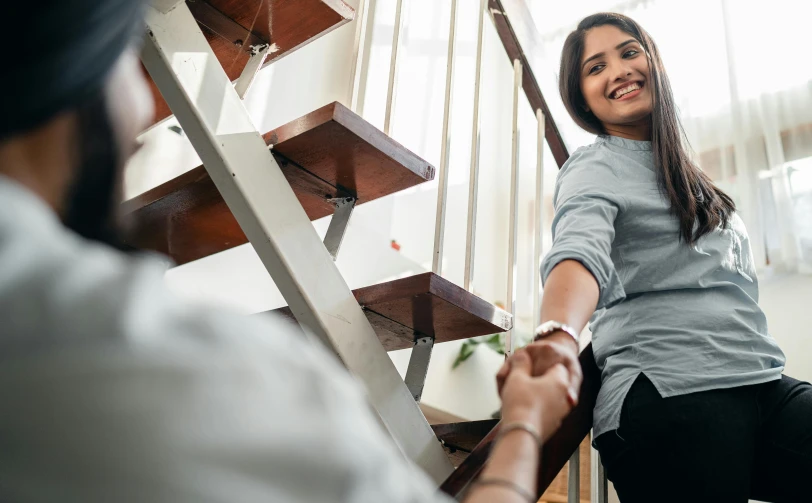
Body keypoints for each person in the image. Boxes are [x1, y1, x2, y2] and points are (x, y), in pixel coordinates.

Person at [0, 1, 577, 502]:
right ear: (74, 65)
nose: (138, 118)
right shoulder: (222, 378)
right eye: (130, 52)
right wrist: (526, 419)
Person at [525, 11, 812, 503]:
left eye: (629, 52)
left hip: (757, 380)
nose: (618, 70)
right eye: (595, 68)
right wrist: (557, 336)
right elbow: (579, 251)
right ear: (583, 99)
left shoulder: (689, 176)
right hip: (670, 390)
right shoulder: (595, 166)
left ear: (653, 62)